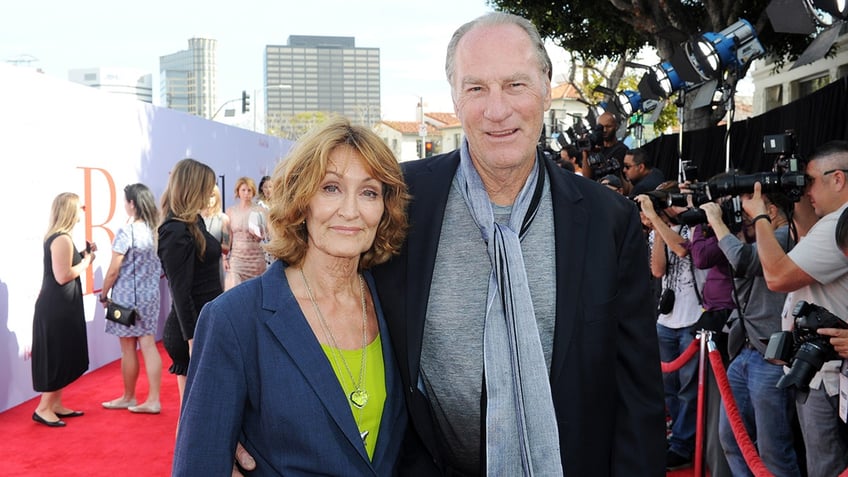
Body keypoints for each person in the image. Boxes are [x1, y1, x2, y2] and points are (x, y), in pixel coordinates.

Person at [372, 12, 665, 476]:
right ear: (454, 96)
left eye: (515, 85)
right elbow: (313, 288)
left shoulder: (608, 219)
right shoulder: (402, 199)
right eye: (476, 88)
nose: (496, 110)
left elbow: (638, 391)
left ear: (546, 88)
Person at [173, 116, 410, 475]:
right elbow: (199, 464)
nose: (351, 210)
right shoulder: (234, 320)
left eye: (369, 191)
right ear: (302, 201)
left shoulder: (397, 304)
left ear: (384, 208)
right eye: (331, 187)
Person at [744, 140, 848, 477]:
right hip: (821, 365)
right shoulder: (831, 222)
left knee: (826, 466)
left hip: (832, 370)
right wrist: (795, 194)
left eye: (811, 181)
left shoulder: (838, 224)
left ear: (838, 179)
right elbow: (800, 243)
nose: (808, 190)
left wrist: (760, 215)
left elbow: (777, 275)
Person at [701, 193, 802, 476]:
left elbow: (743, 260)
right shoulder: (762, 239)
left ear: (769, 210)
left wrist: (717, 222)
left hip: (772, 357)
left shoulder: (787, 235)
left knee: (773, 451)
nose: (744, 223)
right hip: (745, 350)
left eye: (748, 216)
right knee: (732, 439)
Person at [636, 182, 704, 471]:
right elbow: (658, 269)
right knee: (669, 388)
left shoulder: (694, 228)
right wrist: (658, 227)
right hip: (666, 320)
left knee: (688, 390)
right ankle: (676, 436)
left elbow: (683, 251)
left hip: (693, 318)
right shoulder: (658, 233)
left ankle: (683, 444)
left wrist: (661, 223)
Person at [158, 158, 223, 408]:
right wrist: (194, 342)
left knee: (202, 412)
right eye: (207, 188)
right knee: (194, 415)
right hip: (193, 334)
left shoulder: (194, 222)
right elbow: (180, 293)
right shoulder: (175, 231)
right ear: (193, 188)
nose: (210, 195)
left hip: (206, 327)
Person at [31, 192, 96, 427]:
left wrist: (82, 256)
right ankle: (44, 407)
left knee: (62, 352)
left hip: (59, 305)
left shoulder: (60, 238)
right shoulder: (61, 239)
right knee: (57, 354)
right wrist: (87, 263)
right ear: (70, 210)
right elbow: (63, 276)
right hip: (57, 307)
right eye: (80, 207)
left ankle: (55, 404)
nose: (82, 212)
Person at [99, 183, 164, 414]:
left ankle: (129, 396)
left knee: (128, 349)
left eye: (125, 201)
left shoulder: (128, 231)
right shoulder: (156, 230)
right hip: (151, 296)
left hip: (126, 298)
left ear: (132, 204)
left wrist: (104, 294)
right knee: (148, 344)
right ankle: (154, 399)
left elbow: (113, 270)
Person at [224, 176, 266, 289]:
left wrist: (258, 233)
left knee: (255, 295)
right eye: (243, 190)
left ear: (253, 192)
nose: (246, 193)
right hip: (237, 260)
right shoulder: (230, 211)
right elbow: (228, 238)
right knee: (232, 293)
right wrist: (224, 258)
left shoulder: (260, 211)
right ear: (238, 192)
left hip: (256, 261)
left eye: (249, 190)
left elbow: (264, 236)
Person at [201, 184, 230, 286]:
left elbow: (226, 246)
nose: (209, 199)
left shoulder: (223, 219)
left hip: (215, 267)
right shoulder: (194, 218)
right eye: (206, 195)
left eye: (212, 195)